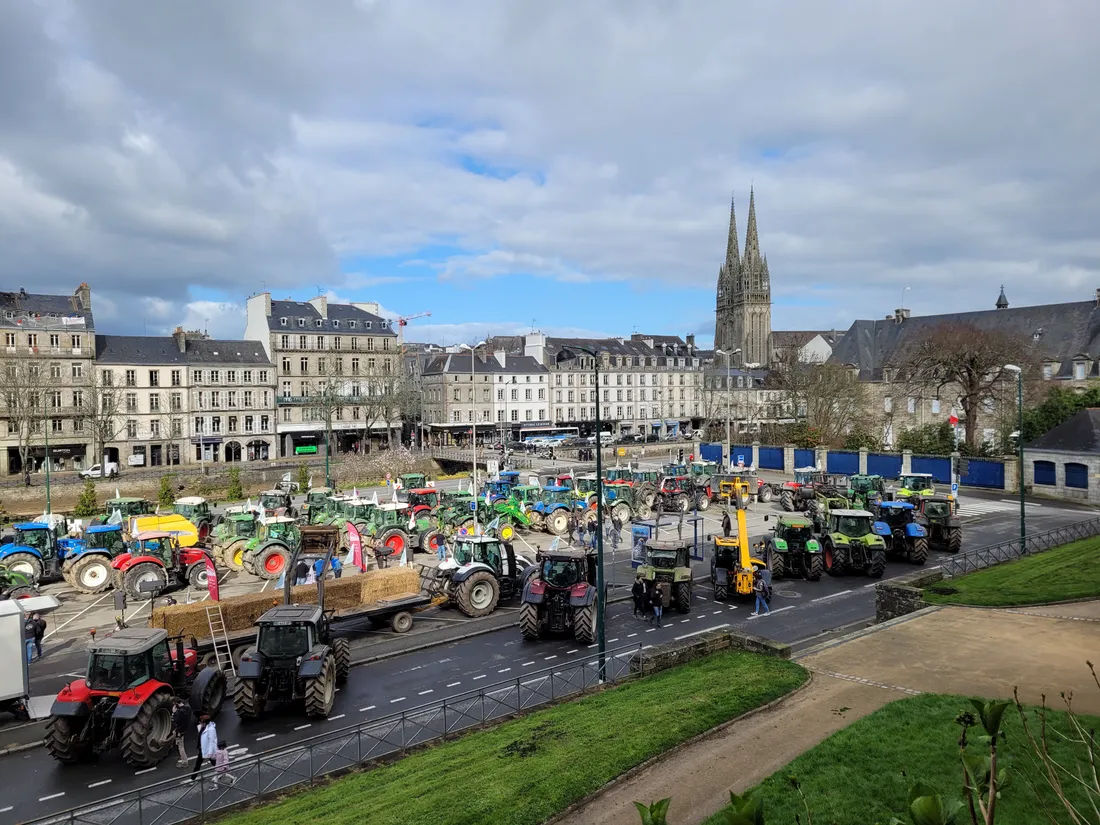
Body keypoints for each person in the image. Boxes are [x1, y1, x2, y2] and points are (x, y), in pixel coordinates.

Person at [171, 698, 191, 767]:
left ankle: (184, 762)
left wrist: (174, 712)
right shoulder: (188, 709)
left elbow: (175, 720)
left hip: (179, 731)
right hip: (184, 729)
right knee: (175, 737)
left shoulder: (179, 713)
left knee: (181, 747)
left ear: (176, 704)